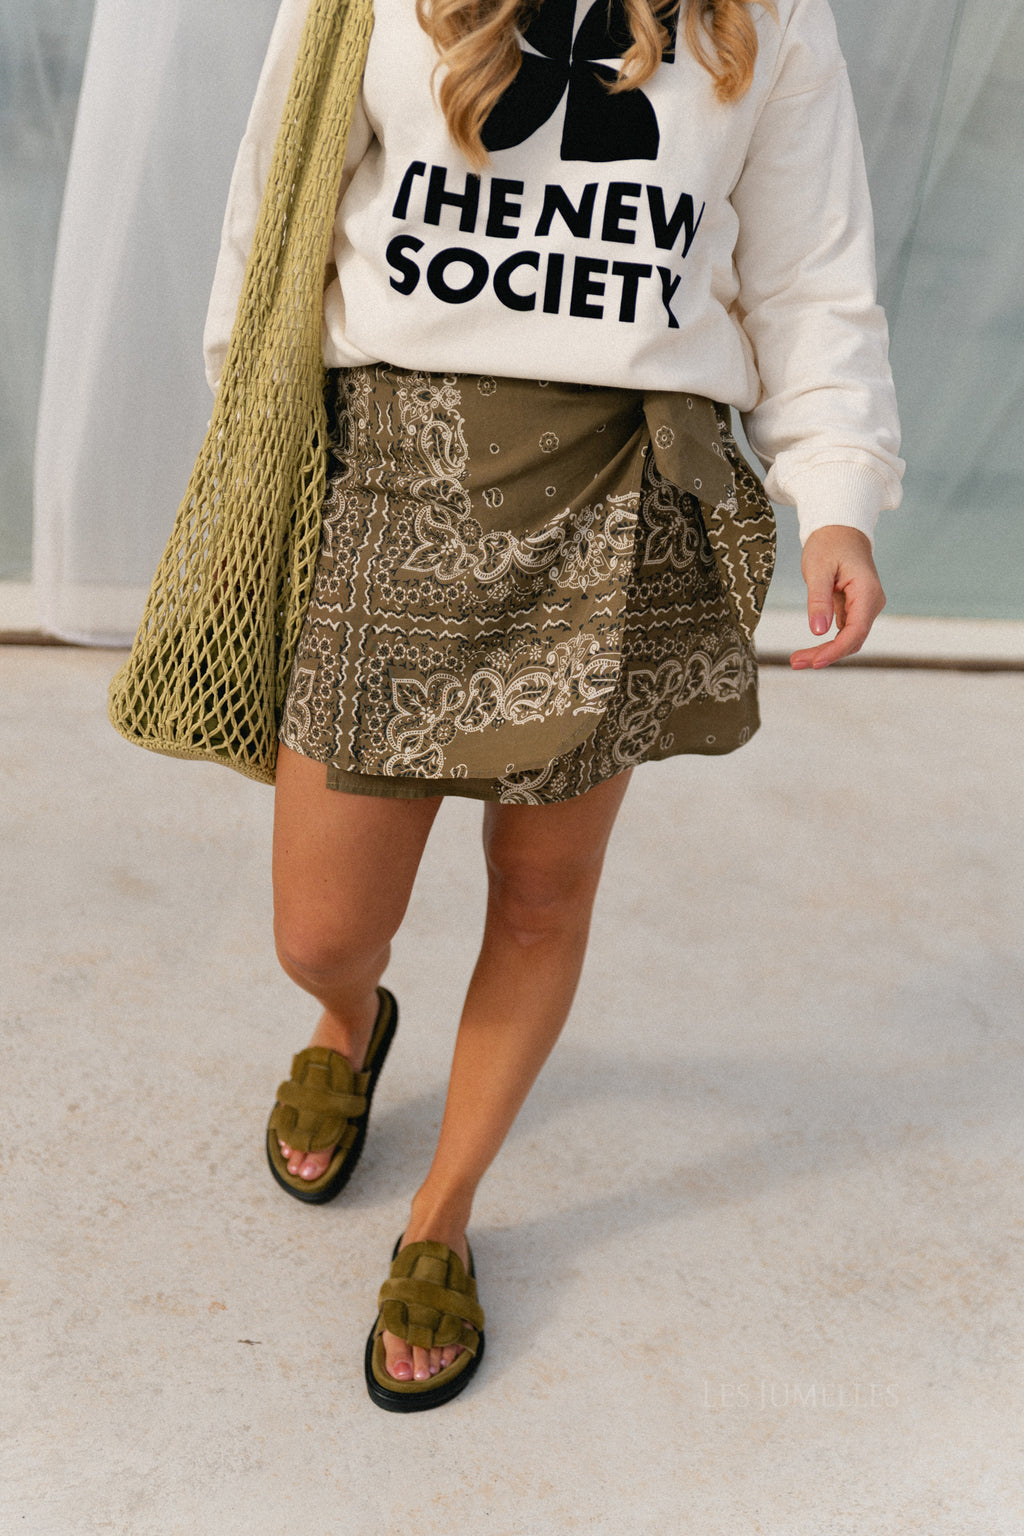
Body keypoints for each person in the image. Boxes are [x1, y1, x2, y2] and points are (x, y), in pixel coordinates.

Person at [202, 0, 903, 1410]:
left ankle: (442, 1213)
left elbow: (812, 272)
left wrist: (836, 496)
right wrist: (243, 435)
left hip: (625, 489)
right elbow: (274, 214)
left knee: (539, 894)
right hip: (395, 480)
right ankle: (349, 1020)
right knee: (321, 926)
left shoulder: (767, 16)